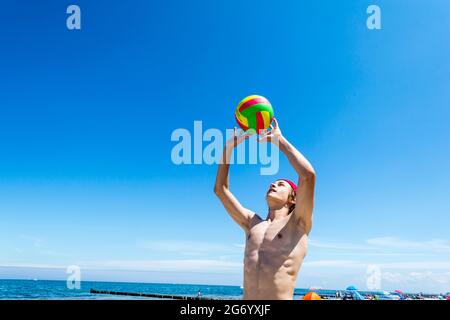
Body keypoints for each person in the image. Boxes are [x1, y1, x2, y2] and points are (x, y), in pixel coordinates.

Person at [214, 118, 316, 300]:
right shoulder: (251, 222)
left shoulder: (298, 223)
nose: (273, 184)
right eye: (273, 182)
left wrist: (280, 141)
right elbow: (220, 189)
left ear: (293, 198)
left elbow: (308, 176)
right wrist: (228, 148)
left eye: (281, 184)